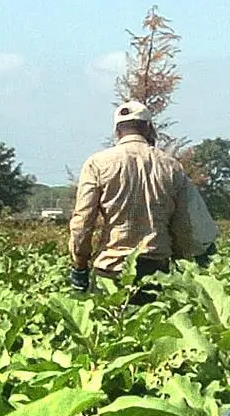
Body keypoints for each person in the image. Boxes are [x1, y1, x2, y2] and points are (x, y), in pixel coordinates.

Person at [68, 102, 216, 298]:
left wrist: (80, 265)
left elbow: (82, 222)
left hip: (110, 272)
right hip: (156, 273)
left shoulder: (97, 164)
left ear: (117, 132)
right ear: (149, 128)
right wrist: (184, 258)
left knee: (111, 326)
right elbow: (188, 224)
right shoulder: (171, 166)